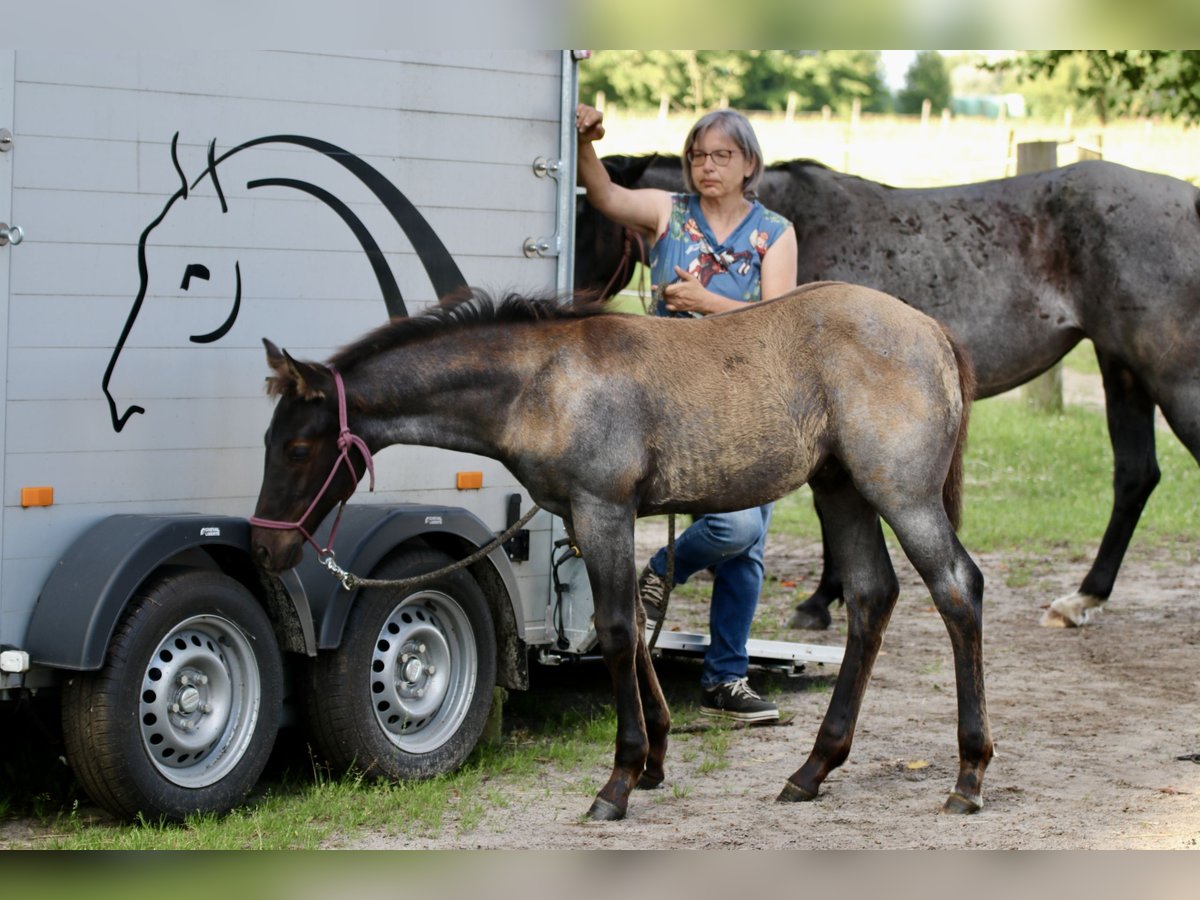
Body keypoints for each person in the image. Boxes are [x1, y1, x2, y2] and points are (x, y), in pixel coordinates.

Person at [575, 102, 798, 722]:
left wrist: (705, 300)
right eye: (698, 155)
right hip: (667, 400)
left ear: (749, 163)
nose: (707, 167)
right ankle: (670, 588)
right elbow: (605, 195)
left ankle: (724, 675)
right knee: (737, 531)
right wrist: (587, 141)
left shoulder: (774, 232)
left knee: (745, 544)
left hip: (749, 400)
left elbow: (779, 324)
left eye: (722, 155)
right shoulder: (667, 212)